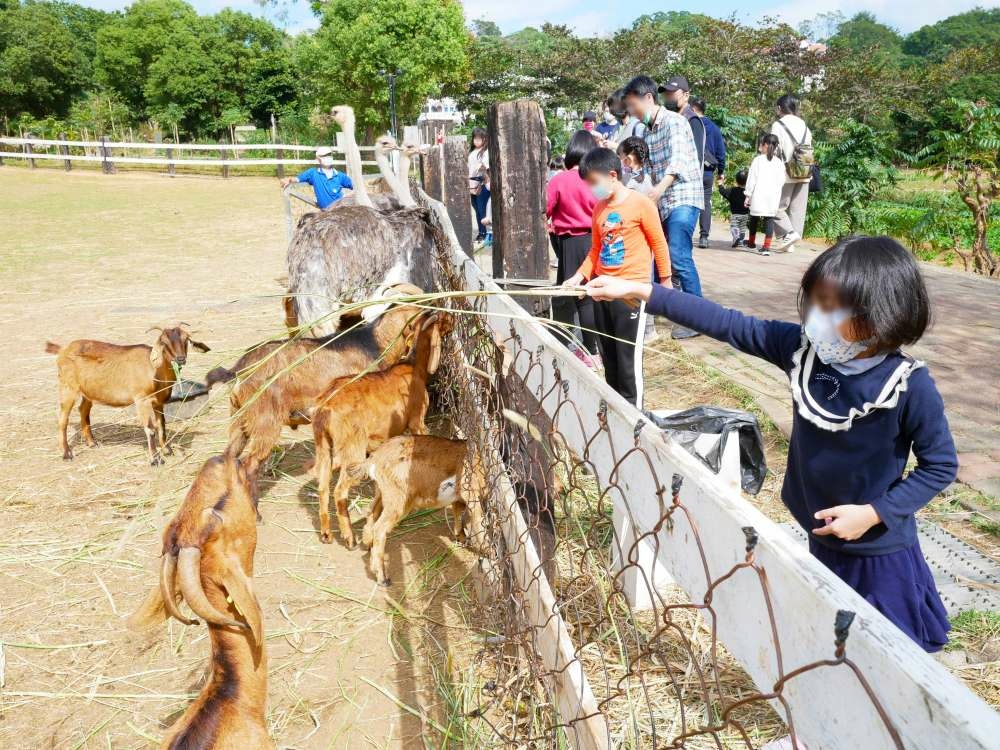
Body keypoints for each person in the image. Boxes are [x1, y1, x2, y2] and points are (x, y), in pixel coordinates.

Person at [585, 235, 956, 655]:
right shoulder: (801, 350)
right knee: (835, 637)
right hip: (819, 530)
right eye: (815, 302)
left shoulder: (909, 386)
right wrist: (645, 290)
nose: (818, 317)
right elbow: (728, 323)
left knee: (891, 650)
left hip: (876, 547)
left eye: (833, 308)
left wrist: (873, 514)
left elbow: (940, 466)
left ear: (882, 315)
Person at [562, 147, 672, 406]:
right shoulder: (599, 208)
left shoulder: (641, 203)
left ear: (612, 175)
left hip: (630, 291)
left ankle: (635, 413)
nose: (592, 190)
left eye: (594, 183)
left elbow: (659, 244)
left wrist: (665, 283)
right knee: (608, 355)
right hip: (602, 289)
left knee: (627, 359)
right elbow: (596, 250)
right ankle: (614, 409)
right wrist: (579, 277)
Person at [623, 75, 704, 340]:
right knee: (660, 258)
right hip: (662, 202)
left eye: (634, 106)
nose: (633, 113)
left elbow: (677, 162)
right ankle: (658, 308)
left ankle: (698, 318)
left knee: (678, 255)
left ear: (648, 99)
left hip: (682, 197)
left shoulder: (675, 122)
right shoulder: (646, 131)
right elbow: (647, 169)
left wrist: (656, 192)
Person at [546, 131, 601, 363]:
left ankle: (590, 352)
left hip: (570, 243)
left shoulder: (559, 179)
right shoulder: (595, 178)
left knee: (579, 296)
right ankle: (594, 348)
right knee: (590, 295)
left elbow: (545, 208)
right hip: (595, 239)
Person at [771, 94, 812, 251]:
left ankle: (789, 233)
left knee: (776, 206)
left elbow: (774, 149)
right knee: (798, 209)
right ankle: (791, 242)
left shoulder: (778, 125)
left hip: (786, 172)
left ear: (780, 107)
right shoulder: (804, 125)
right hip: (805, 170)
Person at [691, 96, 727, 248]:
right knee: (705, 203)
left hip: (692, 171)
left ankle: (687, 234)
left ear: (693, 109)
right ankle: (704, 237)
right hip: (707, 172)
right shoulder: (714, 128)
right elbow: (721, 152)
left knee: (691, 202)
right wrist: (721, 171)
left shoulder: (690, 124)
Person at [744, 134, 786, 256]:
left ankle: (751, 242)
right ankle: (766, 247)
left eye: (762, 144)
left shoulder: (758, 160)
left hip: (758, 194)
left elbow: (752, 179)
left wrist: (748, 195)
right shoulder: (779, 163)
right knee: (769, 220)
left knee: (754, 218)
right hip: (773, 196)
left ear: (765, 145)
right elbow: (782, 181)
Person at [280, 147, 354, 209]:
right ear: (318, 159)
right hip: (324, 213)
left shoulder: (340, 176)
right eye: (324, 156)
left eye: (329, 155)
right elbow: (297, 179)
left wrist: (347, 197)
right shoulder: (313, 173)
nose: (328, 157)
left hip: (339, 212)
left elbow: (355, 186)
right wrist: (288, 180)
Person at [468, 127, 490, 241]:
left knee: (482, 209)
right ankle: (481, 232)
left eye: (479, 138)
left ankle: (485, 233)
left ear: (484, 139)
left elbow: (487, 166)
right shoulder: (472, 152)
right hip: (471, 184)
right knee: (476, 209)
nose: (476, 141)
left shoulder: (486, 152)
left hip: (482, 184)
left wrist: (481, 167)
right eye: (475, 138)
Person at [718, 170, 749, 248]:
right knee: (742, 229)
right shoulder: (748, 192)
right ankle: (741, 241)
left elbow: (722, 191)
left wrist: (720, 184)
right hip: (745, 215)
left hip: (735, 215)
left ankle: (736, 237)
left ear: (736, 180)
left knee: (734, 227)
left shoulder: (732, 190)